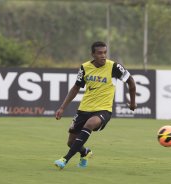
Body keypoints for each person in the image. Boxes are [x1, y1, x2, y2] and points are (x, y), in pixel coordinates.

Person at [54, 41, 136, 169]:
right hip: (84, 109)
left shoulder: (114, 67)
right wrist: (62, 107)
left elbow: (131, 82)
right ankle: (85, 152)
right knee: (71, 142)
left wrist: (132, 102)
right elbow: (76, 88)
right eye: (99, 53)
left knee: (90, 124)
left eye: (105, 52)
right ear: (93, 54)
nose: (103, 55)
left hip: (104, 110)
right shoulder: (85, 67)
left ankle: (65, 159)